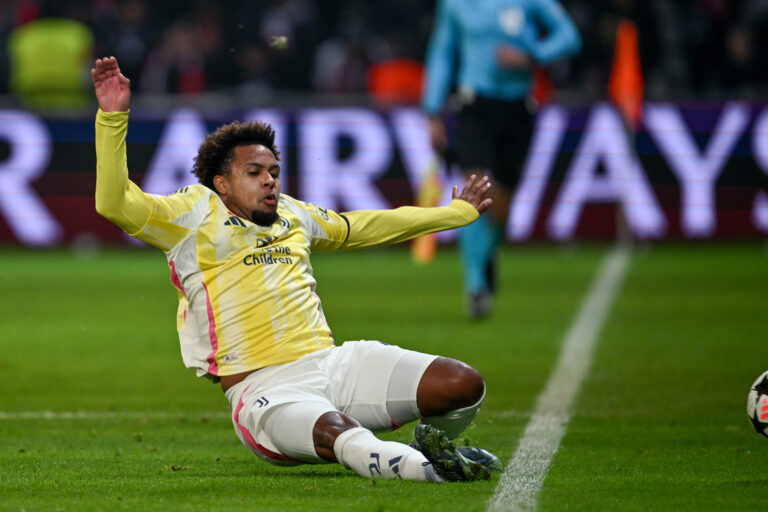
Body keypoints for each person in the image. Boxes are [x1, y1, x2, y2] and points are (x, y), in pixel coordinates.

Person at [92, 56, 502, 482]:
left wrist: (452, 214)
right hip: (266, 390)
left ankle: (430, 446)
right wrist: (112, 118)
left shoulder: (293, 214)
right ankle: (432, 472)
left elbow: (361, 226)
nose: (270, 181)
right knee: (338, 433)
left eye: (274, 172)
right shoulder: (190, 215)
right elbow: (114, 203)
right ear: (222, 183)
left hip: (335, 365)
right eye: (254, 172)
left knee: (462, 385)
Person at [422, 0, 581, 318]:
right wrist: (432, 109)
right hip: (474, 104)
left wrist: (533, 55)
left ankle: (485, 253)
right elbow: (442, 51)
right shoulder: (456, 5)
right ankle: (476, 286)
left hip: (517, 108)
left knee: (503, 205)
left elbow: (569, 36)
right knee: (474, 189)